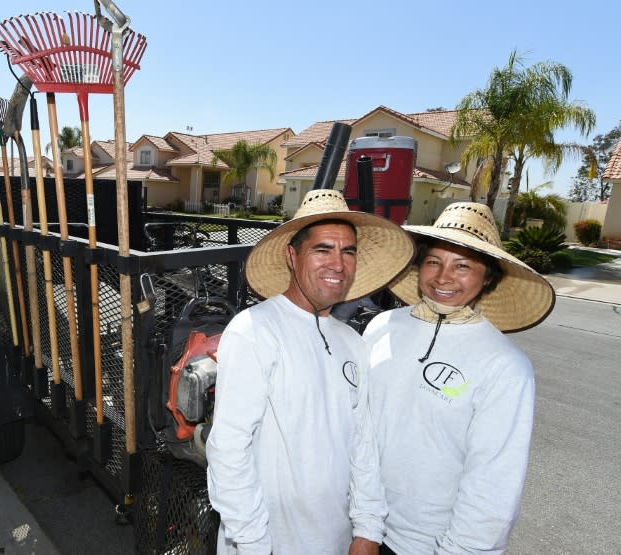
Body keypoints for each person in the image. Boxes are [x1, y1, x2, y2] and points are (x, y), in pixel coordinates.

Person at [206, 189, 415, 555]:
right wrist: (255, 544)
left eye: (348, 251)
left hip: (337, 541)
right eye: (323, 249)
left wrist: (367, 529)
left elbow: (362, 443)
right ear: (292, 255)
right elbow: (228, 449)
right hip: (267, 544)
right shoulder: (255, 330)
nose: (338, 263)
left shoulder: (352, 341)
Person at [350, 202, 556, 554]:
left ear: (488, 276)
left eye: (463, 266)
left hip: (429, 543)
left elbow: (494, 481)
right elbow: (356, 426)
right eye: (434, 262)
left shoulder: (505, 365)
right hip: (355, 524)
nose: (444, 277)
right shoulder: (381, 328)